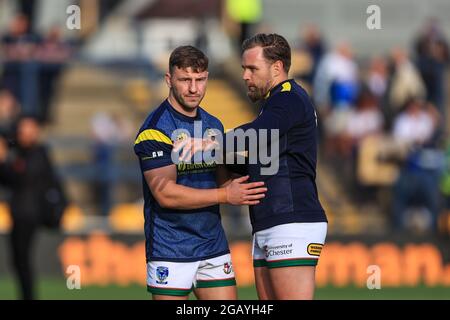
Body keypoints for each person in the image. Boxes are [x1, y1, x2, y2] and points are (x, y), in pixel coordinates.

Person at [177, 34, 328, 300]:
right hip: (270, 220)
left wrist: (212, 143)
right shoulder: (275, 103)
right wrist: (210, 164)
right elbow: (263, 163)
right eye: (244, 69)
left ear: (277, 68)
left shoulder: (289, 98)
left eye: (252, 69)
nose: (246, 76)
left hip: (291, 221)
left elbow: (259, 132)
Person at [133, 45, 267, 300]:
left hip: (212, 245)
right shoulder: (155, 130)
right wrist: (226, 195)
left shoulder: (213, 124)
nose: (194, 89)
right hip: (170, 248)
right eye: (185, 80)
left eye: (200, 80)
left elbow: (223, 179)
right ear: (169, 80)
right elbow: (166, 195)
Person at [0, 116, 61, 300]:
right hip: (20, 212)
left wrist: (3, 161)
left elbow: (21, 177)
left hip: (28, 213)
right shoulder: (20, 153)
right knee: (18, 261)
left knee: (22, 260)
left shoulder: (38, 153)